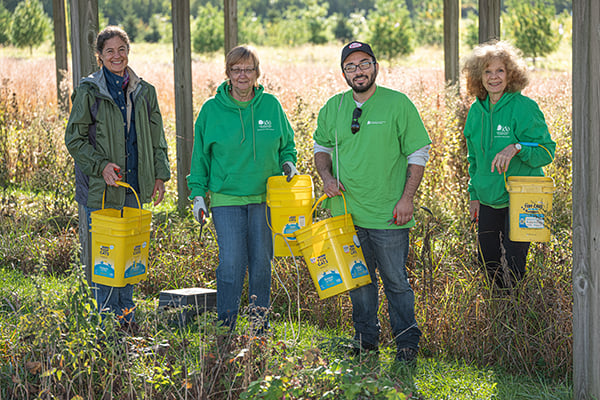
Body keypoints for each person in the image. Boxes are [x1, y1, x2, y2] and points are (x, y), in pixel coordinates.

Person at [313, 41, 431, 363]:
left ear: (376, 66)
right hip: (346, 214)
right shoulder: (333, 108)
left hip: (389, 214)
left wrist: (407, 198)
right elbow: (320, 147)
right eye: (350, 67)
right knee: (359, 282)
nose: (358, 71)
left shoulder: (398, 104)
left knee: (395, 282)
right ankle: (366, 341)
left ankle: (406, 346)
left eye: (364, 63)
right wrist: (325, 178)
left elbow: (418, 152)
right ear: (343, 73)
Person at [187, 45, 298, 332]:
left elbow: (287, 145)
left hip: (265, 199)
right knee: (232, 264)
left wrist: (288, 163)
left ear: (257, 73)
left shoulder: (271, 106)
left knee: (261, 264)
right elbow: (200, 156)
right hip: (226, 199)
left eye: (248, 69)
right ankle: (226, 327)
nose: (242, 75)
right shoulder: (212, 111)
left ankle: (258, 329)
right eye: (236, 69)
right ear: (227, 74)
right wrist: (198, 195)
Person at [65, 26, 171, 327]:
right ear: (100, 56)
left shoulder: (144, 91)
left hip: (134, 187)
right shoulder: (89, 91)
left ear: (128, 51)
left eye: (121, 49)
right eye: (109, 51)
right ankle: (108, 327)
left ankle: (128, 321)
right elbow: (74, 139)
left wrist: (160, 175)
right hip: (102, 190)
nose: (117, 56)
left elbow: (156, 138)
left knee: (131, 258)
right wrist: (101, 166)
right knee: (107, 262)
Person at [462, 40, 555, 288]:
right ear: (478, 76)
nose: (494, 77)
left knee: (514, 264)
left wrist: (517, 147)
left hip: (522, 197)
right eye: (487, 71)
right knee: (487, 259)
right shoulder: (475, 112)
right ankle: (500, 310)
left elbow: (547, 151)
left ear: (510, 73)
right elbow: (473, 159)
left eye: (500, 70)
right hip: (488, 197)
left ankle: (517, 314)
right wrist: (474, 195)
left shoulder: (524, 107)